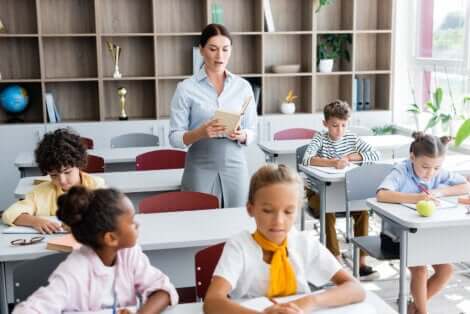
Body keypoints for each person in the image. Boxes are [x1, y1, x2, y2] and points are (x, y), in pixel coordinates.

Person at [204, 164, 365, 314]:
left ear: (298, 211)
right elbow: (212, 302)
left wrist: (308, 302)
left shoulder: (304, 243)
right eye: (267, 211)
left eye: (288, 212)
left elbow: (356, 288)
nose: (278, 221)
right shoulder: (240, 246)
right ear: (250, 209)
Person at [13, 186, 178, 314]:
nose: (137, 225)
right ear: (111, 238)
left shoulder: (129, 254)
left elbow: (163, 290)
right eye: (132, 221)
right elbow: (29, 310)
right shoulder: (74, 271)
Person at [377, 132, 469, 314]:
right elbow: (382, 194)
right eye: (425, 167)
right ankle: (422, 312)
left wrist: (440, 193)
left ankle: (414, 308)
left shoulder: (437, 171)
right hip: (398, 236)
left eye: (436, 168)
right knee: (420, 270)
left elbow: (466, 185)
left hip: (429, 235)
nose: (431, 173)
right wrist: (416, 198)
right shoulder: (401, 171)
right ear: (412, 157)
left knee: (446, 271)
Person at [169, 23, 257, 208]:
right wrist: (199, 133)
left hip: (235, 165)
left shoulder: (243, 87)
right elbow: (174, 137)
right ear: (201, 50)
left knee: (237, 221)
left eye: (225, 49)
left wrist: (243, 135)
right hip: (199, 165)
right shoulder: (186, 88)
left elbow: (252, 130)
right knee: (198, 223)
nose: (220, 56)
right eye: (213, 49)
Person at [302, 100, 380, 279]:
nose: (340, 130)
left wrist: (353, 156)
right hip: (318, 192)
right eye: (335, 125)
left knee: (362, 210)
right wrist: (333, 162)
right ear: (325, 124)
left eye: (344, 125)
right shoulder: (320, 138)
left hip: (344, 191)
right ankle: (335, 261)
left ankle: (361, 262)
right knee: (327, 210)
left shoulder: (351, 138)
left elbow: (375, 154)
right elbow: (307, 159)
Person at [2, 128, 105, 233]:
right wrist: (35, 221)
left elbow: (106, 216)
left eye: (67, 172)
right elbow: (9, 214)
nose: (62, 181)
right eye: (54, 175)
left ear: (79, 165)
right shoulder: (41, 192)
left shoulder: (96, 185)